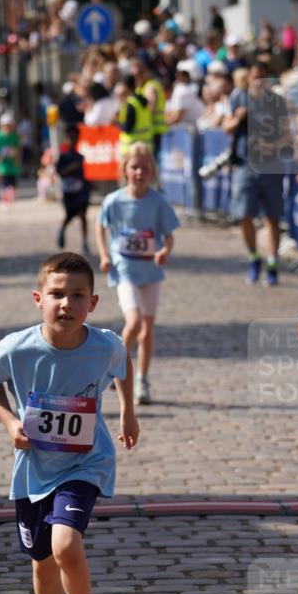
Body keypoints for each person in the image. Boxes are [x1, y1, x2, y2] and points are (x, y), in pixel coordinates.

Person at [0, 251, 139, 594]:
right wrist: (9, 421)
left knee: (66, 544)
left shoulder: (104, 344)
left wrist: (127, 411)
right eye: (57, 294)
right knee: (43, 564)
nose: (67, 303)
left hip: (86, 463)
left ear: (93, 302)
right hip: (34, 470)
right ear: (38, 299)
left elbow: (123, 363)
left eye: (78, 295)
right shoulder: (17, 347)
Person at [96, 142, 179, 405]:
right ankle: (117, 366)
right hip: (125, 271)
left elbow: (169, 236)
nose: (139, 172)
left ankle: (142, 379)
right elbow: (100, 226)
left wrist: (164, 251)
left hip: (151, 273)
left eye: (144, 168)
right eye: (134, 167)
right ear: (125, 170)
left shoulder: (158, 202)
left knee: (147, 330)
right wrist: (104, 255)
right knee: (133, 323)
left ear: (152, 171)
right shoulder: (114, 200)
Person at [223, 62, 290, 286]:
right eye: (255, 77)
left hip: (271, 166)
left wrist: (273, 147)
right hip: (245, 165)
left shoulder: (277, 101)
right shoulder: (238, 97)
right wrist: (237, 118)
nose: (258, 81)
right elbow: (226, 127)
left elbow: (286, 134)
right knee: (244, 216)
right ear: (248, 78)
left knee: (272, 217)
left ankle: (272, 264)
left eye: (263, 77)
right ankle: (254, 258)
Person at [56, 125, 91, 253]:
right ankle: (62, 229)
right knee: (69, 215)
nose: (72, 139)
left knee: (83, 215)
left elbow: (84, 175)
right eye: (70, 137)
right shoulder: (63, 157)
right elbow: (60, 172)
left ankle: (85, 242)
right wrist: (71, 168)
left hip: (81, 192)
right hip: (69, 192)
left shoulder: (80, 156)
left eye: (75, 137)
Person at [0, 111, 21, 206]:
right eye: (5, 125)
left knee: (12, 184)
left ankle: (10, 198)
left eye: (9, 125)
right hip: (2, 165)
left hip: (12, 165)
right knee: (4, 183)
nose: (7, 127)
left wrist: (17, 158)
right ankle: (5, 200)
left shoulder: (15, 136)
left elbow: (18, 149)